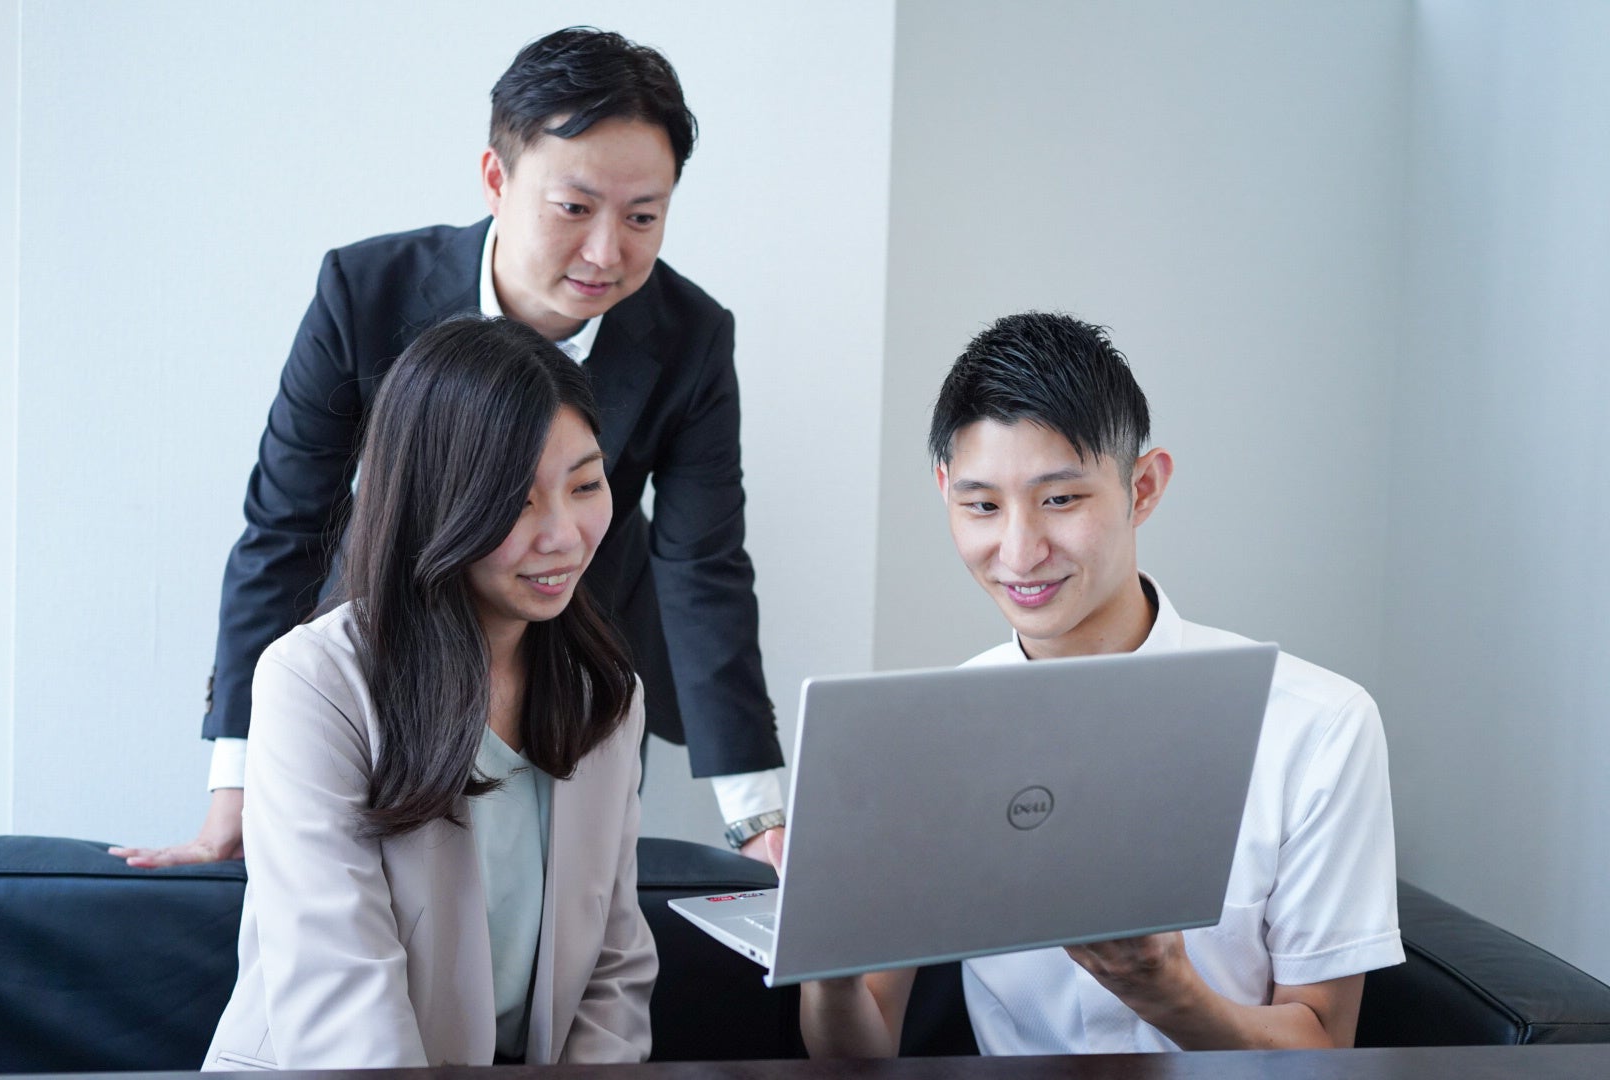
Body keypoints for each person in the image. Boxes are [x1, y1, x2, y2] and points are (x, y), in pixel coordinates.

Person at [110, 27, 787, 872]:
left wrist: (759, 818)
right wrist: (238, 783)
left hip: (576, 676)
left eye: (643, 217)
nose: (607, 252)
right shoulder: (365, 291)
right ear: (497, 179)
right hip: (381, 652)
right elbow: (286, 526)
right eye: (574, 208)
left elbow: (703, 566)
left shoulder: (691, 335)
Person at [800, 312, 1403, 1055]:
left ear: (1142, 488)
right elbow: (860, 1050)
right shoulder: (927, 736)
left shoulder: (1318, 725)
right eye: (982, 506)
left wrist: (1169, 995)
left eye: (1060, 500)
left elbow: (1324, 1047)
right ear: (945, 491)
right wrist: (825, 964)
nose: (1019, 552)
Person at [202, 316, 654, 1069]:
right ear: (435, 504)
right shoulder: (316, 683)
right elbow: (342, 997)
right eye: (517, 502)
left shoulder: (604, 696)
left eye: (585, 485)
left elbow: (614, 969)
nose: (565, 535)